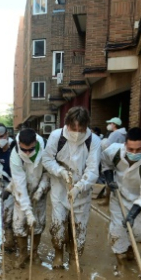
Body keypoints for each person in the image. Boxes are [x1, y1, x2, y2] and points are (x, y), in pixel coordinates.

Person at [42, 106, 102, 269]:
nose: (76, 132)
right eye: (73, 128)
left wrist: (79, 187)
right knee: (58, 224)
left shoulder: (93, 141)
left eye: (80, 129)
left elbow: (92, 169)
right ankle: (58, 254)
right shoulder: (57, 136)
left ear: (85, 126)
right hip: (60, 188)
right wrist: (60, 171)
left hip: (81, 192)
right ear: (66, 124)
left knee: (79, 227)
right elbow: (47, 159)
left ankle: (74, 257)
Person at [102, 127, 141, 271]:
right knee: (118, 231)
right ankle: (121, 265)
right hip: (119, 196)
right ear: (125, 145)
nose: (134, 153)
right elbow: (106, 164)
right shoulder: (114, 151)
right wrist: (110, 180)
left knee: (138, 231)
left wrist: (132, 214)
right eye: (131, 149)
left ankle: (130, 249)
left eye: (138, 150)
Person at [10, 127, 50, 268]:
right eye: (24, 150)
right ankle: (23, 253)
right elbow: (19, 185)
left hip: (40, 187)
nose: (27, 153)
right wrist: (28, 212)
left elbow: (47, 171)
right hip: (22, 190)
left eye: (31, 149)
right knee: (19, 223)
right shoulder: (15, 155)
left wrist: (40, 190)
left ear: (35, 143)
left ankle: (34, 252)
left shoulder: (45, 147)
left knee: (38, 223)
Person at [0, 122, 16, 252]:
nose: (0, 140)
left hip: (20, 184)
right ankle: (9, 241)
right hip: (5, 185)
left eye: (2, 136)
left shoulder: (16, 147)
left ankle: (22, 244)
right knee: (6, 213)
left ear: (7, 134)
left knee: (21, 215)